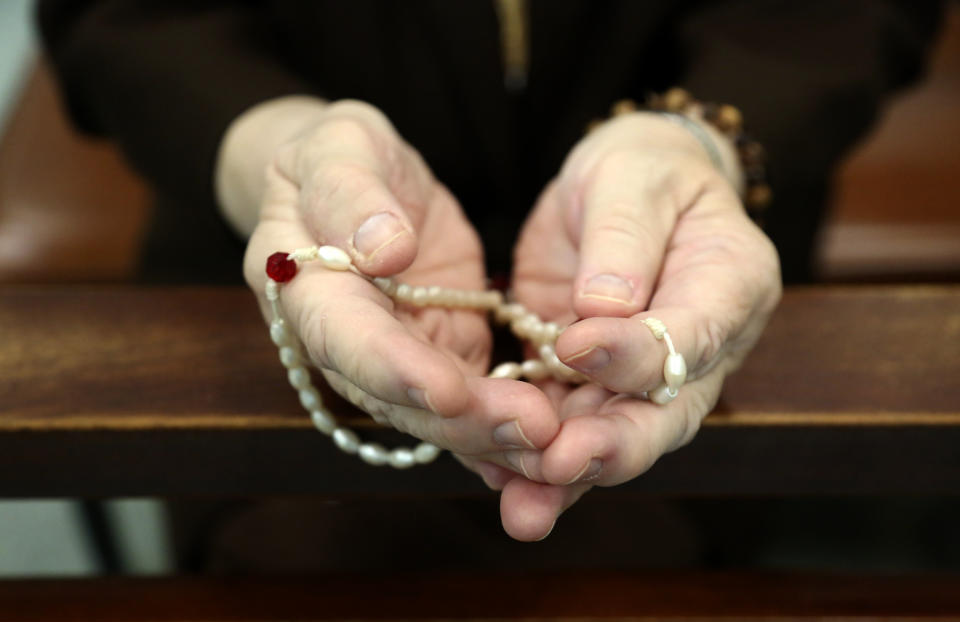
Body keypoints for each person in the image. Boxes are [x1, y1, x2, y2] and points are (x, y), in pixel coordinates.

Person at [38, 0, 940, 542]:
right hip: (266, 293)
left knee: (641, 563)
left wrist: (695, 140)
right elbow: (125, 16)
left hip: (683, 261)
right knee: (305, 559)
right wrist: (277, 144)